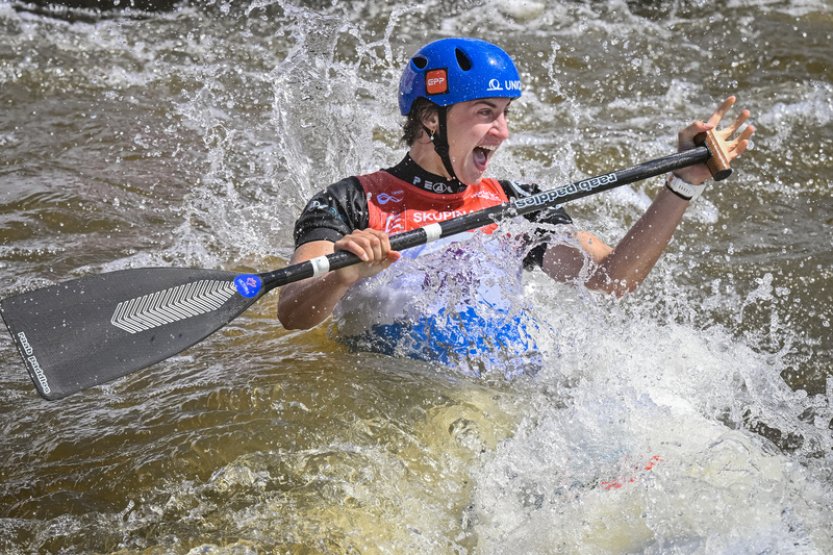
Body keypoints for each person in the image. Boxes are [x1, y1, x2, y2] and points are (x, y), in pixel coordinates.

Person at [277, 37, 754, 376]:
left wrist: (683, 184)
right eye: (486, 112)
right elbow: (292, 313)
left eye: (505, 114)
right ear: (430, 119)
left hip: (513, 392)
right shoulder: (350, 201)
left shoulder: (519, 205)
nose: (503, 131)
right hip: (397, 392)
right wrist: (343, 274)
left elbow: (611, 281)